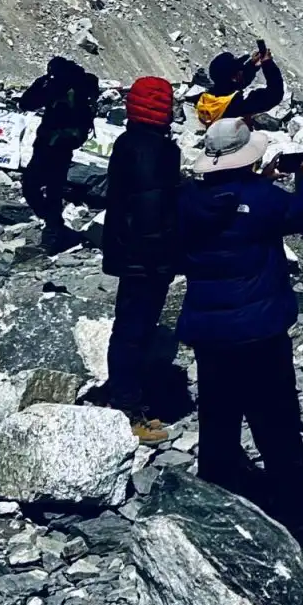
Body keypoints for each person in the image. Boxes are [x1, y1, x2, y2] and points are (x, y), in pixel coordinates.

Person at [178, 118, 303, 564]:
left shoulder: (189, 202)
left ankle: (211, 525)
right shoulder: (263, 199)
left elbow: (231, 208)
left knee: (218, 426)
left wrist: (256, 183)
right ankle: (297, 533)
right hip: (260, 331)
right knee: (278, 430)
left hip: (210, 335)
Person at [100, 76, 182, 443]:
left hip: (129, 250)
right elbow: (154, 209)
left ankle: (130, 401)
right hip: (146, 257)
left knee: (132, 327)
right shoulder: (155, 150)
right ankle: (126, 410)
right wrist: (167, 254)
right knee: (135, 330)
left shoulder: (129, 142)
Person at [17, 55, 100, 250]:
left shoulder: (56, 86)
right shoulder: (81, 85)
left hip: (49, 143)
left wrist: (42, 83)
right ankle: (55, 227)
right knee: (54, 187)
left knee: (31, 184)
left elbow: (27, 103)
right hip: (66, 145)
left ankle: (53, 227)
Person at [195, 42, 283, 129]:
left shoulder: (209, 96)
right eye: (240, 68)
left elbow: (235, 83)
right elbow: (275, 94)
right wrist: (268, 64)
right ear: (234, 78)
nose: (242, 69)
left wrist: (252, 66)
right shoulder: (239, 105)